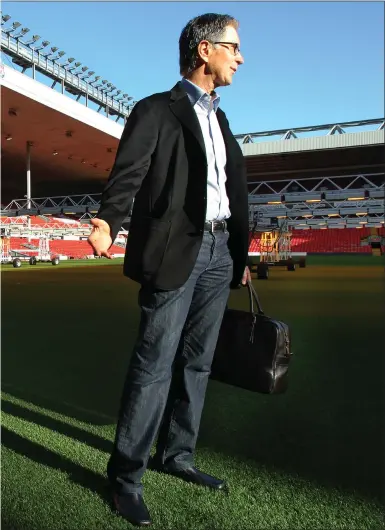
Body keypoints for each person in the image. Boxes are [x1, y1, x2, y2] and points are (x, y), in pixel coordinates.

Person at [88, 12, 251, 527]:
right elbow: (129, 171)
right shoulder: (157, 110)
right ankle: (126, 478)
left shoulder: (220, 118)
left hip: (220, 252)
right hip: (176, 252)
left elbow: (230, 191)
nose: (240, 57)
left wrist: (239, 256)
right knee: (154, 365)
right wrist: (107, 221)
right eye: (233, 47)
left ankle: (177, 455)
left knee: (198, 364)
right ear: (205, 50)